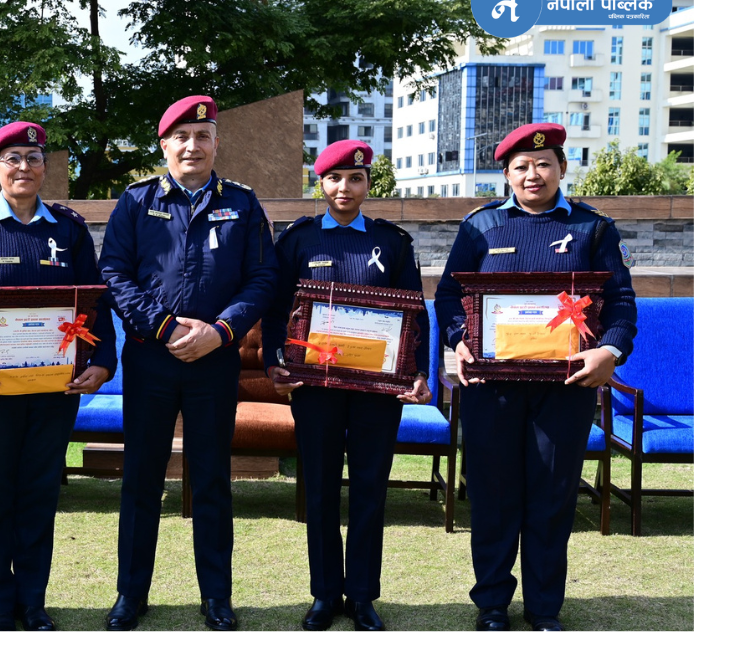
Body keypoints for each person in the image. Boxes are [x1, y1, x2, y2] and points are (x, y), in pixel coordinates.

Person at [435, 123, 637, 631]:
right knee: (493, 495)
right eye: (521, 166)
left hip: (565, 389)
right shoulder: (480, 226)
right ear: (506, 174)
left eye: (544, 164)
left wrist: (610, 350)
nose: (533, 174)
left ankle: (545, 607)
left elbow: (620, 302)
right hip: (492, 388)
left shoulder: (594, 228)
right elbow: (448, 296)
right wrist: (460, 338)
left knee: (551, 496)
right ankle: (493, 604)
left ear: (562, 169)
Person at [0, 121, 117, 631]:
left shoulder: (69, 229)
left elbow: (95, 304)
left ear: (45, 169)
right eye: (12, 159)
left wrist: (102, 362)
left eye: (33, 159)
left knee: (38, 493)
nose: (24, 168)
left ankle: (33, 601)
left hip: (55, 389)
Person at [99, 95, 277, 631]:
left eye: (203, 136)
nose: (192, 146)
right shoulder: (136, 201)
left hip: (214, 362)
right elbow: (114, 273)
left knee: (212, 479)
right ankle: (131, 594)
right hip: (150, 358)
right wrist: (165, 327)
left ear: (216, 143)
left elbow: (262, 279)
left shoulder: (243, 203)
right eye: (181, 137)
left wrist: (219, 332)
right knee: (141, 478)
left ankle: (217, 596)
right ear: (164, 145)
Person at [261, 140, 431, 632]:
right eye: (335, 178)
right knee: (319, 490)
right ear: (321, 183)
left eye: (355, 178)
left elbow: (414, 312)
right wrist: (276, 361)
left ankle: (361, 596)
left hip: (378, 390)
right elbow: (276, 310)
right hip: (315, 388)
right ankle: (323, 593)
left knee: (370, 490)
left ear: (368, 184)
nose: (344, 187)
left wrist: (418, 371)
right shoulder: (298, 240)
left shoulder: (392, 242)